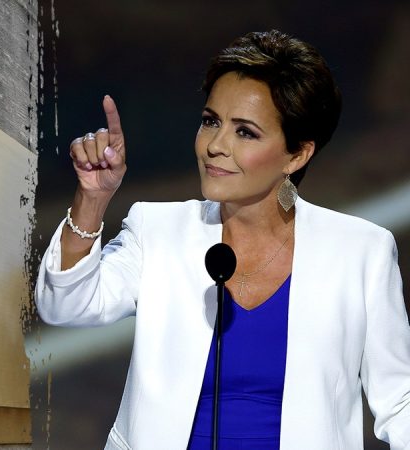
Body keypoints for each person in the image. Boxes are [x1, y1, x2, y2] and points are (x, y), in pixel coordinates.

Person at [35, 30, 410, 449]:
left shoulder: (361, 252)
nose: (215, 145)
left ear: (297, 154)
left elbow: (399, 401)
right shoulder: (157, 230)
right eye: (210, 121)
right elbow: (64, 306)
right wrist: (92, 198)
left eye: (245, 132)